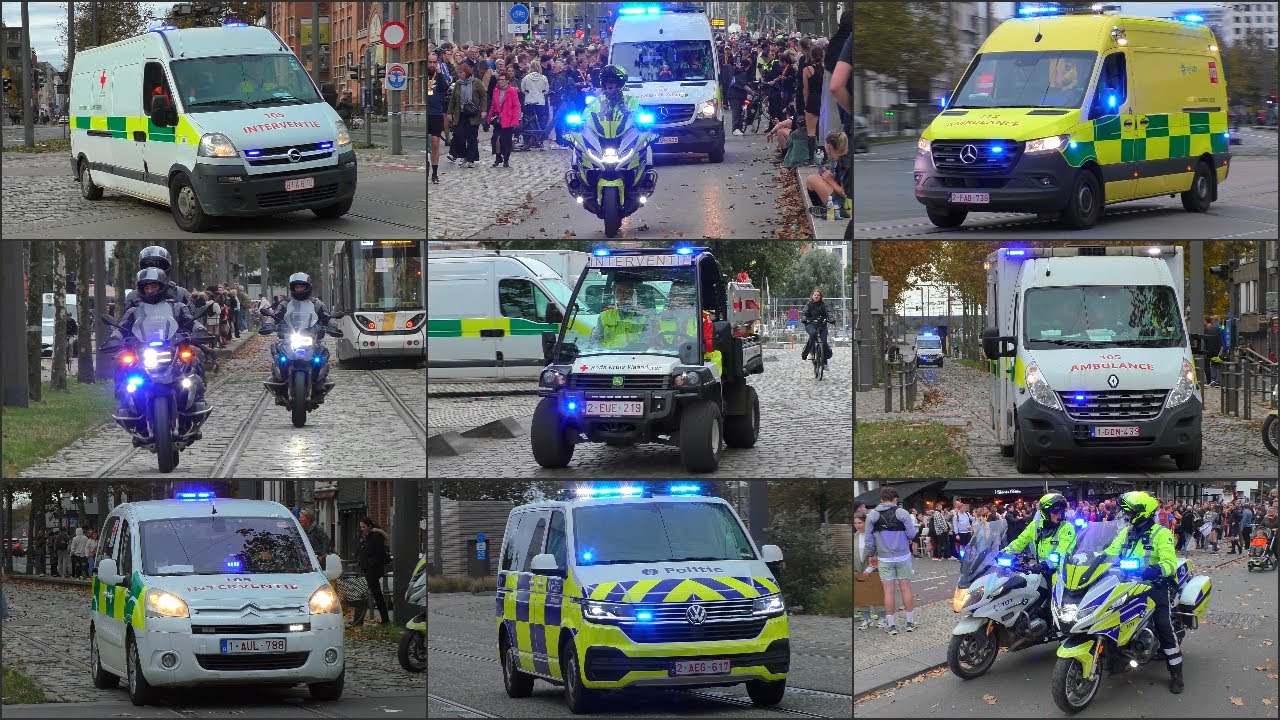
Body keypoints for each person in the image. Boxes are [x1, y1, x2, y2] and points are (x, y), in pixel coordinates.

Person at [1104, 491, 1184, 693]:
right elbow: (1110, 552)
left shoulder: (1161, 533)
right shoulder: (1126, 533)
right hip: (1125, 584)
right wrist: (1091, 559)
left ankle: (1176, 673)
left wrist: (1156, 569)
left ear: (1142, 512)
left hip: (1155, 586)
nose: (1127, 516)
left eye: (1130, 512)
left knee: (1164, 626)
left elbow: (1170, 563)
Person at [263, 272, 337, 404]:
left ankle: (322, 380)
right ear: (292, 288)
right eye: (296, 287)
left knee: (322, 353)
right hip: (290, 337)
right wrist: (269, 325)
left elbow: (327, 317)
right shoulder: (285, 305)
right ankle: (277, 377)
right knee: (278, 352)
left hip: (311, 337)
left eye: (302, 287)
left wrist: (332, 326)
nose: (299, 289)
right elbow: (275, 317)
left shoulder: (317, 304)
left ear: (308, 287)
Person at [862, 486, 919, 635]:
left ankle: (892, 626)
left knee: (888, 592)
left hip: (884, 558)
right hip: (903, 556)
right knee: (906, 589)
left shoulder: (872, 515)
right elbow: (912, 534)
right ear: (895, 499)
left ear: (881, 500)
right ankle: (909, 623)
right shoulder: (902, 513)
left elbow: (868, 539)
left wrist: (871, 554)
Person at [1000, 493, 1077, 580]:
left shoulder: (1067, 527)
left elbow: (1062, 551)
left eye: (1061, 511)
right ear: (1045, 512)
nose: (1059, 515)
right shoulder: (1035, 525)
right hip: (1039, 573)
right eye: (1055, 511)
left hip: (1060, 575)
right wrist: (1004, 552)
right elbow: (1020, 541)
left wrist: (1044, 565)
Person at [446, 62, 486, 168]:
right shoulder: (458, 83)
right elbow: (453, 99)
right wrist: (449, 112)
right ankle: (463, 155)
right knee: (459, 136)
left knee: (472, 137)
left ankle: (471, 159)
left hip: (473, 114)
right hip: (461, 114)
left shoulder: (476, 82)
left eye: (461, 72)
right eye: (458, 72)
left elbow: (483, 96)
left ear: (467, 72)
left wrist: (483, 110)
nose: (459, 74)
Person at [353, 517, 391, 626]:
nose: (362, 529)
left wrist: (369, 563)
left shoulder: (375, 536)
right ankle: (360, 619)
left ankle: (385, 619)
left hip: (372, 570)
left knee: (375, 595)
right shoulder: (364, 536)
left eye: (363, 527)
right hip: (366, 569)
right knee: (366, 594)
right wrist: (358, 559)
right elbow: (360, 549)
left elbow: (378, 554)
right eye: (360, 527)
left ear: (369, 526)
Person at [853, 514, 887, 630]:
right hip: (859, 569)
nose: (857, 526)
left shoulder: (874, 536)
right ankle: (866, 619)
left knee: (876, 594)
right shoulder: (855, 537)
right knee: (862, 595)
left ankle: (882, 618)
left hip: (873, 569)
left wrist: (870, 567)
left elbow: (878, 552)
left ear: (865, 523)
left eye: (860, 523)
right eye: (855, 523)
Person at [805, 130, 849, 218]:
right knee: (816, 178)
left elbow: (846, 193)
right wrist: (831, 178)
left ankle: (832, 210)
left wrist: (830, 181)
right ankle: (826, 208)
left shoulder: (845, 164)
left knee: (812, 179)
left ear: (828, 146)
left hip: (848, 205)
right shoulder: (842, 159)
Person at [487, 72, 520, 168]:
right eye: (499, 80)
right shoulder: (496, 90)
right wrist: (489, 118)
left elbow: (516, 107)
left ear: (507, 81)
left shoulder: (512, 91)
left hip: (508, 119)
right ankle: (498, 157)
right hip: (498, 119)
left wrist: (515, 120)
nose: (500, 82)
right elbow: (493, 105)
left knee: (506, 140)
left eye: (502, 80)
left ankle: (506, 158)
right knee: (496, 138)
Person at [801, 45, 825, 164]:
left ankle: (811, 158)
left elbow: (805, 90)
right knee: (823, 129)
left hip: (812, 100)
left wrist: (806, 103)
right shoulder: (826, 69)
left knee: (811, 131)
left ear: (811, 57)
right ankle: (824, 156)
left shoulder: (807, 70)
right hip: (823, 100)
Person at [520, 61, 550, 150]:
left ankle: (527, 141)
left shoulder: (526, 78)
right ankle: (540, 141)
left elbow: (523, 89)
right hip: (540, 102)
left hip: (529, 102)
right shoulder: (544, 78)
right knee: (541, 122)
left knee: (527, 122)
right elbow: (546, 90)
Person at [800, 289, 832, 365]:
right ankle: (807, 351)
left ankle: (825, 359)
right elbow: (804, 313)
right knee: (813, 334)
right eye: (815, 295)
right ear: (812, 296)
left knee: (824, 342)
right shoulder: (808, 304)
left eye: (818, 295)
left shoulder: (824, 304)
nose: (816, 296)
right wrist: (804, 319)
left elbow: (828, 312)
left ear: (820, 296)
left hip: (822, 325)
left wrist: (831, 319)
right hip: (811, 324)